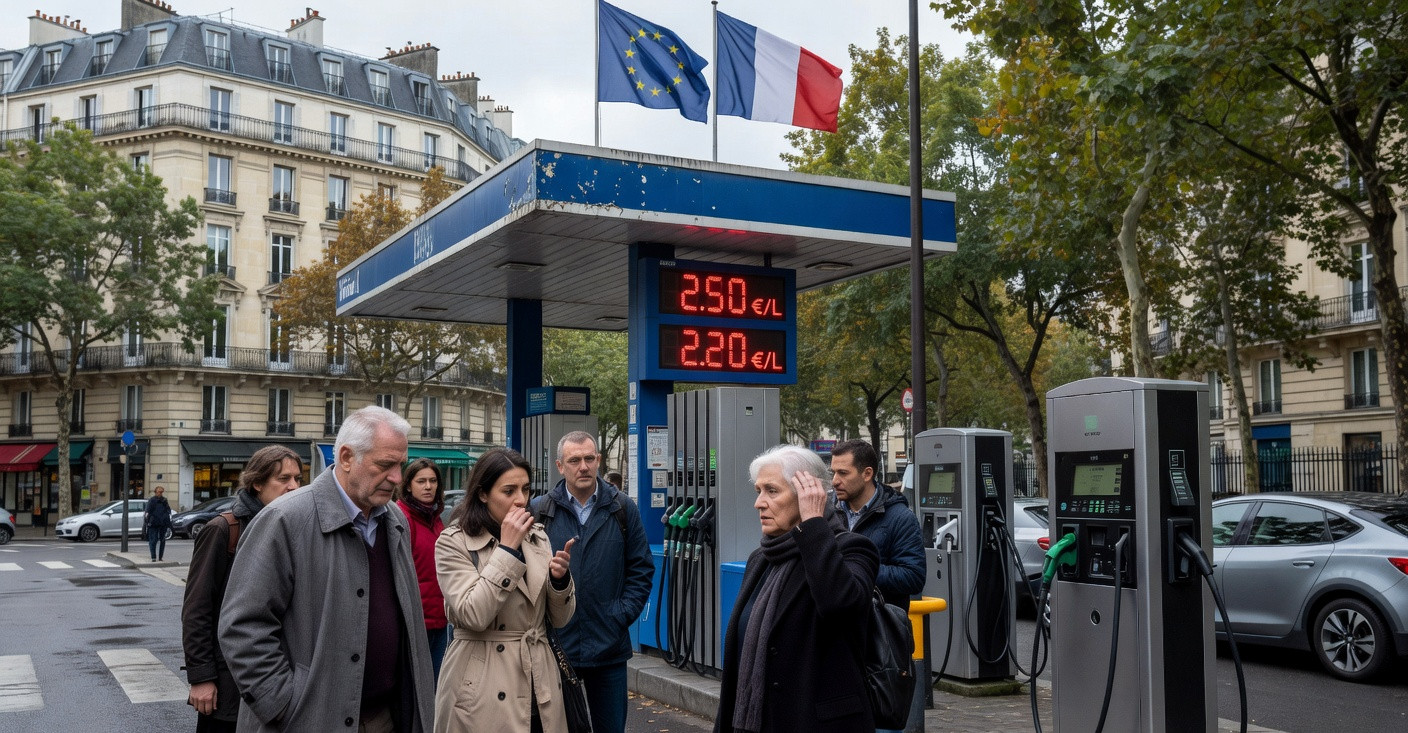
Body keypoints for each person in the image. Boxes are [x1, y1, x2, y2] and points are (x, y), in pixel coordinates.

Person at [219, 406, 435, 733]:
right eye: (385, 465)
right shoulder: (284, 520)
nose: (396, 478)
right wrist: (283, 705)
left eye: (400, 465)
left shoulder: (395, 521)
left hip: (384, 718)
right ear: (346, 457)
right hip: (304, 721)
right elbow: (242, 627)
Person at [715, 444, 879, 733]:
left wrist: (814, 523)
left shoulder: (851, 548)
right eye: (758, 491)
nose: (759, 503)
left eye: (772, 491)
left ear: (808, 493)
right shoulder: (761, 558)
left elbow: (841, 606)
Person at [434, 447, 576, 732]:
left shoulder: (537, 536)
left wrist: (559, 582)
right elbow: (472, 614)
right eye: (508, 491)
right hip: (482, 680)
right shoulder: (454, 542)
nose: (521, 500)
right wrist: (508, 550)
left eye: (525, 489)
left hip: (540, 676)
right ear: (483, 493)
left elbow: (558, 620)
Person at [531, 431, 653, 733]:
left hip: (608, 646)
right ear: (560, 466)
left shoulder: (622, 508)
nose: (583, 466)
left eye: (589, 458)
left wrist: (620, 615)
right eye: (574, 460)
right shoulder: (539, 510)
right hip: (556, 647)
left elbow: (641, 568)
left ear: (598, 460)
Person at [182, 445, 302, 733]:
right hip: (227, 685)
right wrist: (201, 678)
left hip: (281, 678)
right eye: (284, 479)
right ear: (257, 483)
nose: (294, 486)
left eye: (298, 478)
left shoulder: (298, 526)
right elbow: (198, 609)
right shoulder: (224, 529)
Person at [829, 439, 925, 610]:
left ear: (867, 474)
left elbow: (913, 577)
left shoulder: (900, 518)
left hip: (876, 628)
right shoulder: (825, 511)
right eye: (833, 473)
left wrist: (858, 567)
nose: (835, 481)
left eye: (843, 473)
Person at [396, 458, 449, 680]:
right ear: (408, 485)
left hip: (441, 619)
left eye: (433, 481)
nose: (428, 486)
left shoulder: (436, 518)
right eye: (421, 481)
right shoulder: (401, 517)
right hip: (415, 623)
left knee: (437, 687)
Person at [144, 485, 173, 562]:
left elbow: (168, 510)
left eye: (161, 492)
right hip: (154, 522)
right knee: (153, 540)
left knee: (162, 540)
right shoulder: (152, 500)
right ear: (155, 492)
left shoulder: (164, 500)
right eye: (159, 492)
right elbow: (147, 511)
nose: (160, 493)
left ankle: (160, 557)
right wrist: (147, 521)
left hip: (163, 522)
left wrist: (167, 517)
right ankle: (153, 556)